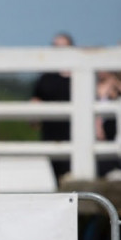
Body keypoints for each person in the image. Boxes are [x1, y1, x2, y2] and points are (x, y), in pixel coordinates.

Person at [30, 32, 74, 182]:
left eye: (62, 47)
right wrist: (34, 118)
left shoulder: (79, 75)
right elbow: (36, 99)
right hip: (51, 133)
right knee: (57, 174)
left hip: (73, 132)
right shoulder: (46, 77)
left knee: (72, 172)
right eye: (55, 46)